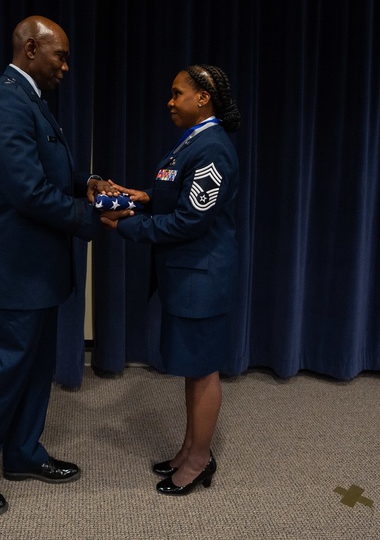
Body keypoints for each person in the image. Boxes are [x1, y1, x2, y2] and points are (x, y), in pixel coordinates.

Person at [0, 16, 108, 515]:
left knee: (35, 366)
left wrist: (89, 184)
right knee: (6, 367)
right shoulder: (4, 102)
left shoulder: (30, 99)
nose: (66, 66)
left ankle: (22, 453)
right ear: (32, 48)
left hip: (38, 264)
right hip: (14, 264)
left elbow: (52, 172)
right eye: (61, 56)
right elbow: (26, 191)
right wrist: (92, 215)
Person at [101, 64, 241, 496]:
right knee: (193, 369)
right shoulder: (193, 141)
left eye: (177, 93)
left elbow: (189, 221)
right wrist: (144, 197)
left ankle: (199, 460)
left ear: (203, 98)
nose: (170, 100)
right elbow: (176, 196)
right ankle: (189, 449)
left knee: (202, 372)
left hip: (201, 278)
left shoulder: (213, 148)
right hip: (186, 275)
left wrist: (126, 226)